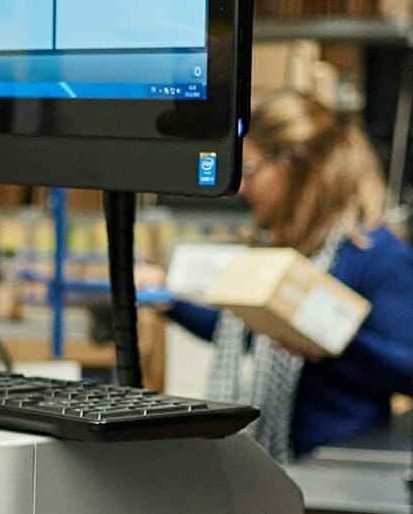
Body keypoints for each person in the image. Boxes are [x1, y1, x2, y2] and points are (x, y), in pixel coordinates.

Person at [164, 88, 413, 461]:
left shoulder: (371, 253)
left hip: (338, 470)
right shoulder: (286, 248)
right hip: (278, 464)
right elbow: (245, 334)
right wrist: (169, 303)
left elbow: (407, 370)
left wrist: (331, 336)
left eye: (251, 171)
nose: (242, 187)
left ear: (297, 168)